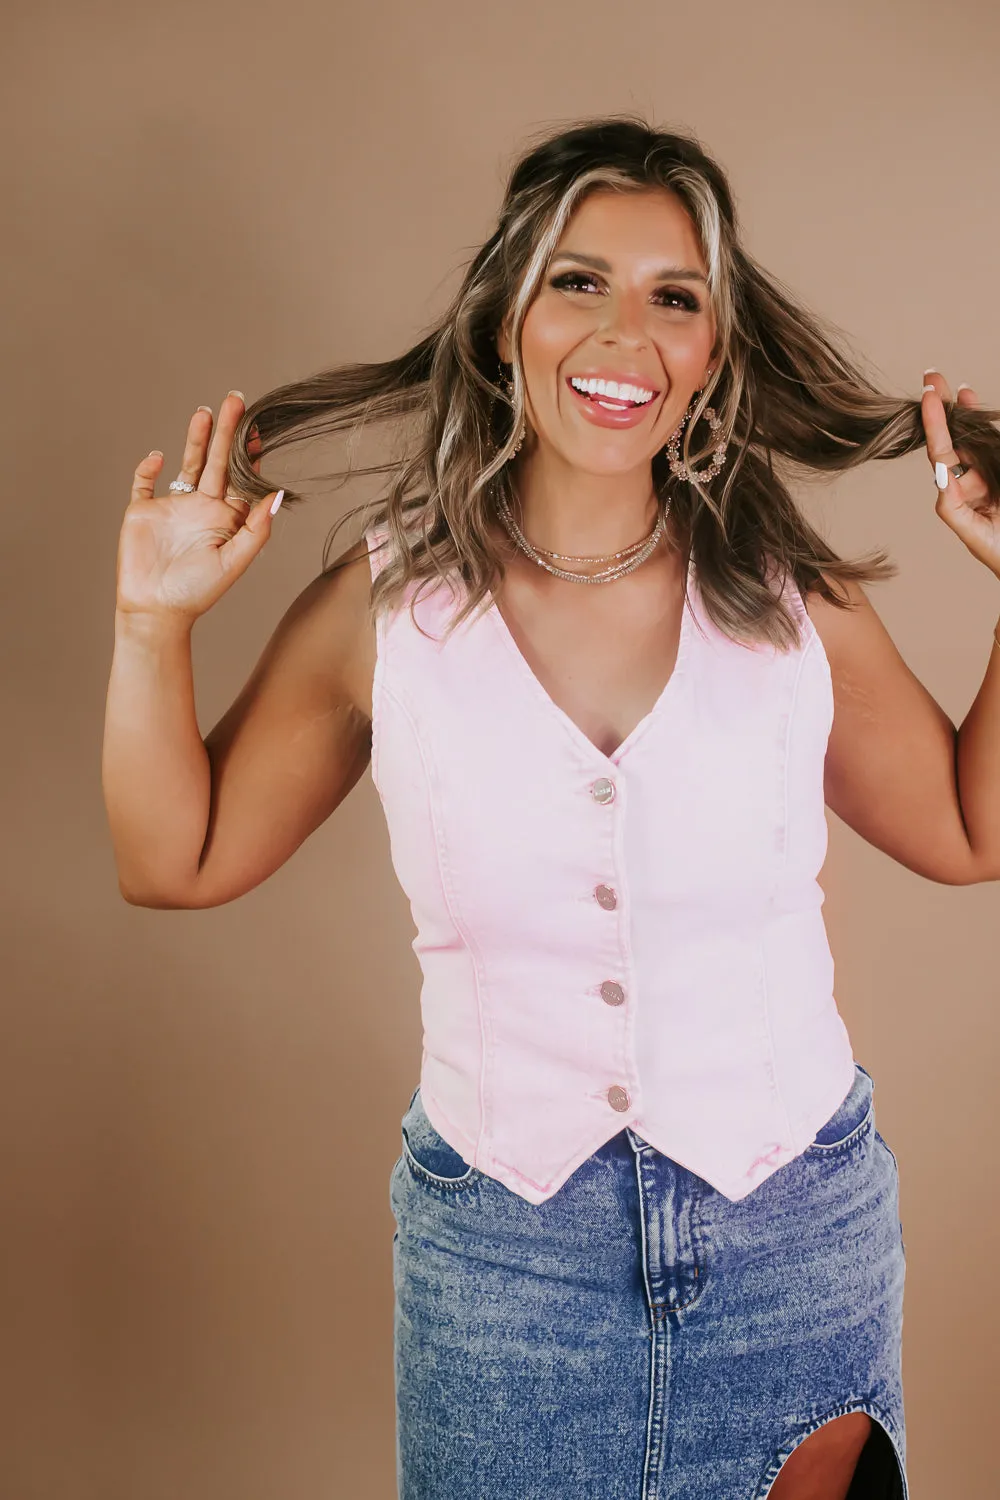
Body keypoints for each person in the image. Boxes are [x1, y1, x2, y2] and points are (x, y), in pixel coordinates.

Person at [102, 117, 1000, 1500]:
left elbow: (968, 829)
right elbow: (178, 858)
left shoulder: (789, 597)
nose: (622, 333)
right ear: (504, 318)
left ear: (714, 354)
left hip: (792, 1245)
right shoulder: (386, 607)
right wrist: (148, 626)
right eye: (578, 280)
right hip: (503, 1271)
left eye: (674, 296)